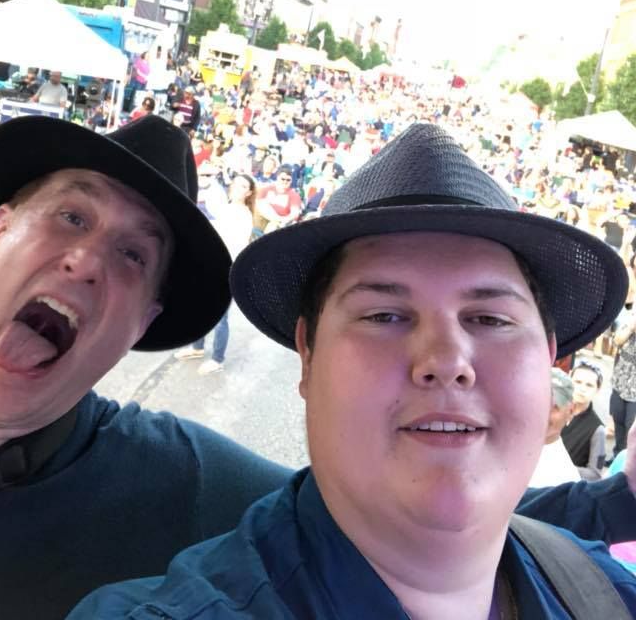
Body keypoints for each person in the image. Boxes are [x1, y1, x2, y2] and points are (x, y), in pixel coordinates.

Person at [71, 123, 636, 620]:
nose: (446, 362)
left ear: (548, 357)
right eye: (384, 315)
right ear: (307, 354)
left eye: (490, 319)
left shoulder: (613, 596)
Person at [0, 115, 290, 620]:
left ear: (142, 324)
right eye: (72, 217)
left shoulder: (179, 486)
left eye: (133, 254)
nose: (87, 262)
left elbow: (359, 533)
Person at [175, 173, 257, 374]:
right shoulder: (228, 208)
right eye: (235, 184)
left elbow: (234, 244)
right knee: (200, 309)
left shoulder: (243, 214)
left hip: (226, 268)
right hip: (212, 263)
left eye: (242, 186)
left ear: (249, 193)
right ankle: (197, 347)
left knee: (220, 317)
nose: (236, 188)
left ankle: (217, 359)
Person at [530, 368, 580, 487]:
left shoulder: (565, 480)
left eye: (554, 407)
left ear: (571, 411)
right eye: (537, 402)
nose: (543, 413)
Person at [563, 361, 607, 480]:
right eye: (578, 382)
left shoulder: (597, 429)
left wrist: (563, 468)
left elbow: (595, 474)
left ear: (597, 389)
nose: (582, 389)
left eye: (589, 385)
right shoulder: (553, 410)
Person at [611, 306, 636, 455]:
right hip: (620, 382)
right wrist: (631, 327)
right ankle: (617, 455)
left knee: (631, 427)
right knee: (618, 420)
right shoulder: (631, 320)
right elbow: (616, 341)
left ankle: (629, 460)